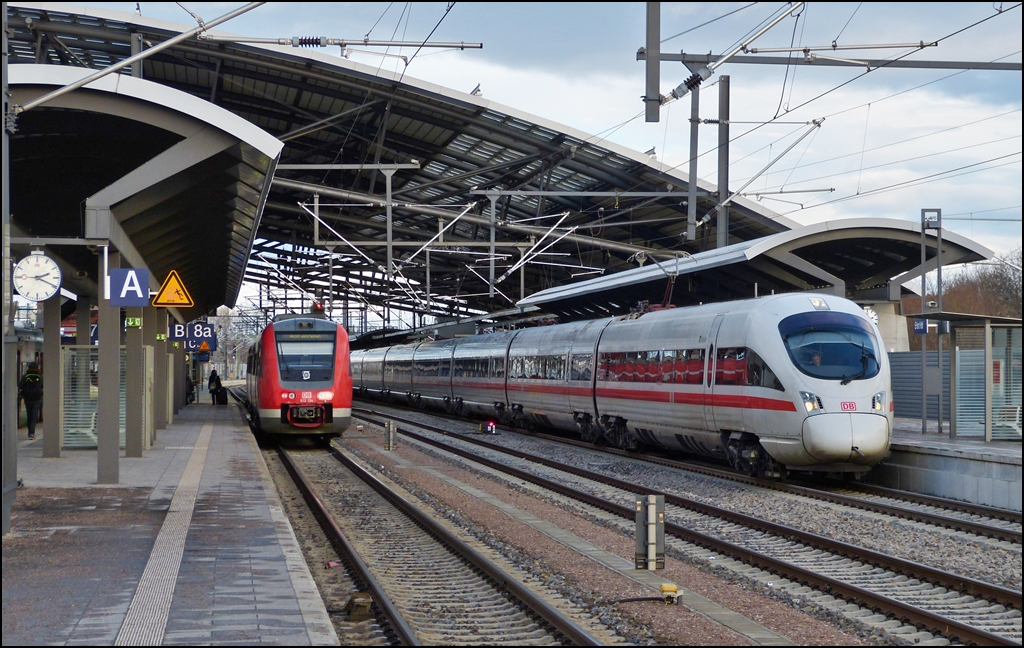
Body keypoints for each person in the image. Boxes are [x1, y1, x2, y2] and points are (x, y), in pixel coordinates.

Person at [19, 362, 43, 440]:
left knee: (29, 416)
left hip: (28, 399)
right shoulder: (40, 377)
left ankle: (30, 432)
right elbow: (42, 386)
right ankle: (31, 433)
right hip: (37, 399)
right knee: (34, 416)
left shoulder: (25, 376)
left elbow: (20, 386)